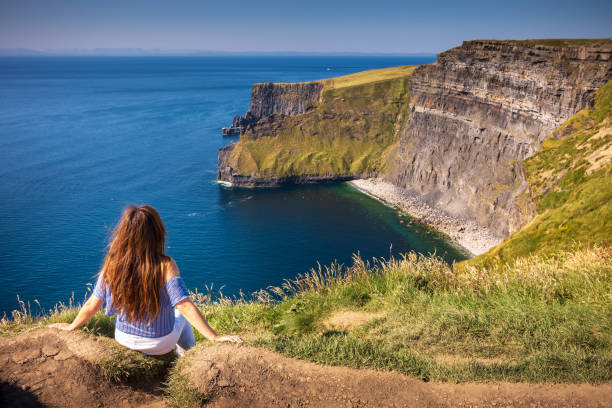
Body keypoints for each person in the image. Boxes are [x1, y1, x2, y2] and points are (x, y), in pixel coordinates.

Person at [49, 205, 242, 355]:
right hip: (160, 343)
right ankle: (188, 358)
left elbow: (93, 304)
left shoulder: (113, 264)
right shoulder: (165, 265)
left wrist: (72, 326)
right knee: (181, 316)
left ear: (123, 234)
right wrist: (214, 337)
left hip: (123, 338)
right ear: (158, 233)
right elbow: (183, 306)